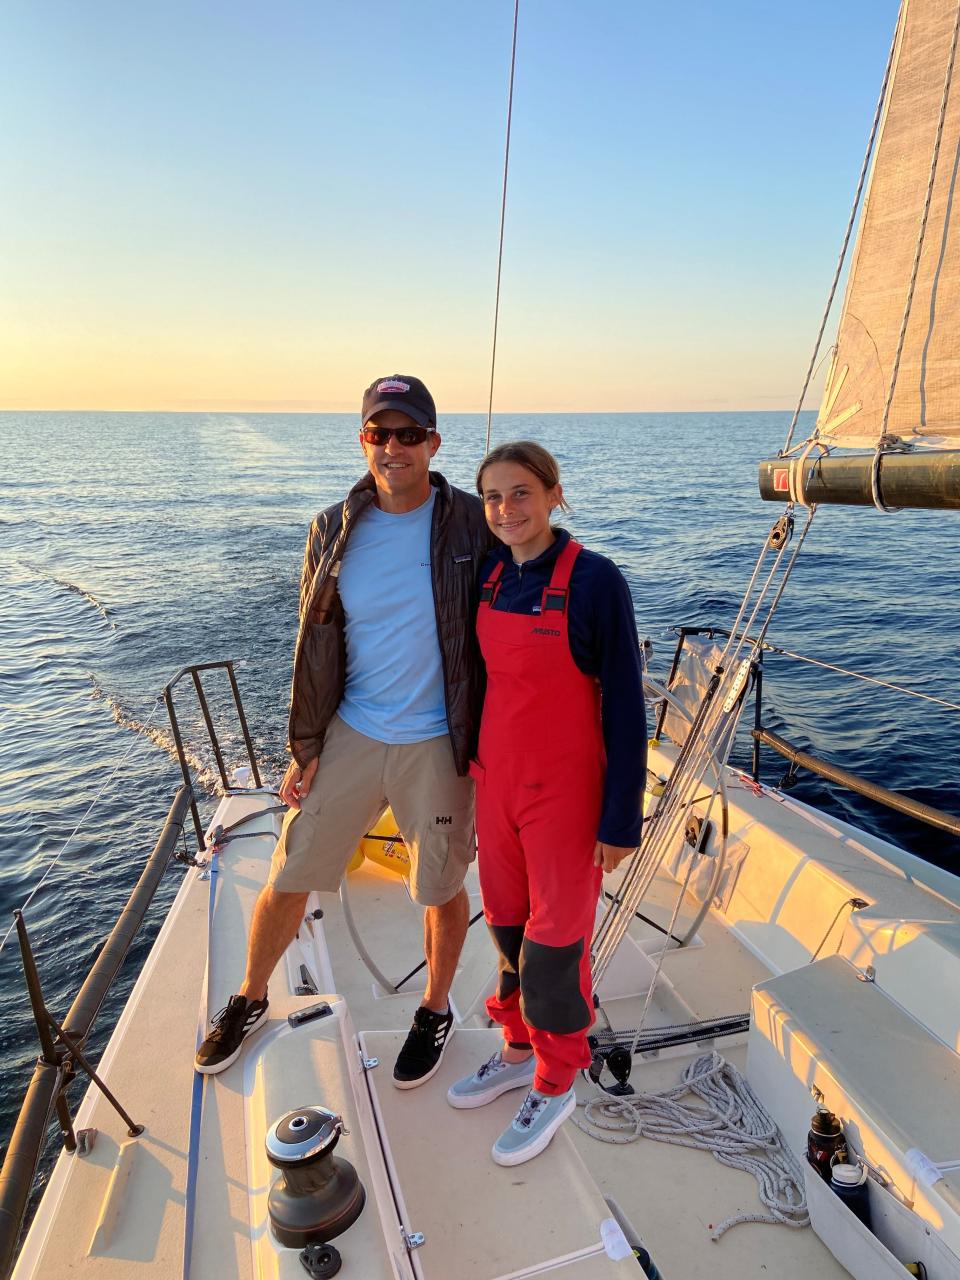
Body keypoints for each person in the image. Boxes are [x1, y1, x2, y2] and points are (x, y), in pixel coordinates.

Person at [196, 374, 493, 1086]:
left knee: (439, 886)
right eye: (378, 433)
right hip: (354, 729)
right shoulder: (330, 527)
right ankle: (249, 996)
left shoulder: (473, 524)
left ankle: (434, 1008)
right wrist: (307, 744)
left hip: (438, 741)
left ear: (433, 443)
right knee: (292, 871)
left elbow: (538, 565)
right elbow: (314, 640)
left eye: (408, 434)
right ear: (363, 439)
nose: (393, 447)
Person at [446, 441, 646, 1166]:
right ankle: (518, 1046)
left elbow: (626, 709)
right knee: (505, 929)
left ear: (555, 495)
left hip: (565, 796)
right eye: (494, 497)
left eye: (522, 492)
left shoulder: (595, 582)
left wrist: (623, 819)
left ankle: (558, 1079)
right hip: (495, 784)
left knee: (556, 949)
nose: (507, 509)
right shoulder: (491, 574)